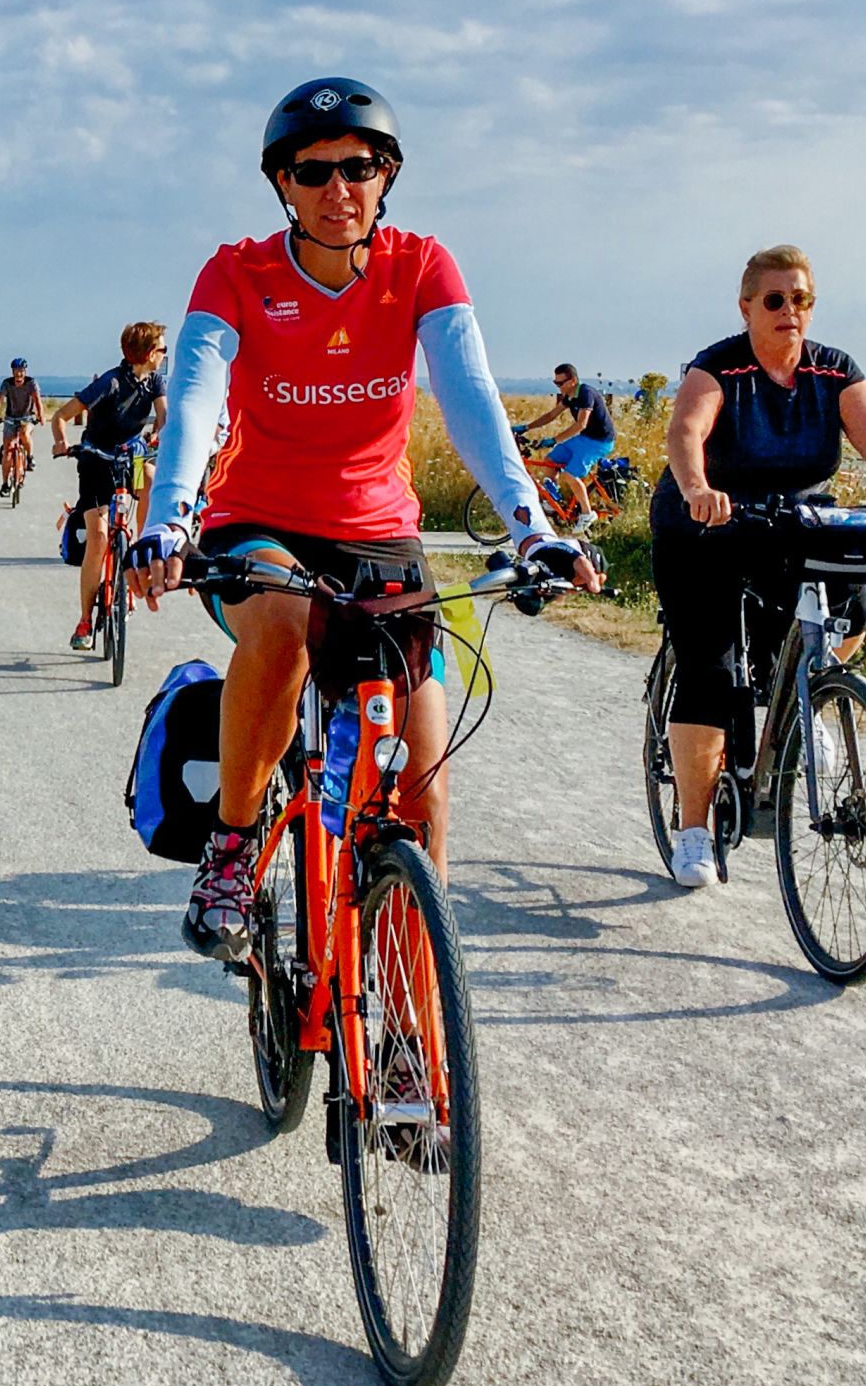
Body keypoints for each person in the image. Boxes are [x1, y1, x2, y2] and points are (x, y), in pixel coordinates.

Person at [128, 77, 599, 959]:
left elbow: (469, 396)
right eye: (314, 172)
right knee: (282, 629)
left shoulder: (421, 265)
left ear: (386, 176)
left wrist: (531, 526)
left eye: (359, 167)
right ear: (282, 184)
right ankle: (232, 846)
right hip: (255, 522)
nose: (338, 189)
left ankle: (413, 1015)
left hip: (378, 532)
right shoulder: (238, 272)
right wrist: (170, 517)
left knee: (421, 801)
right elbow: (195, 392)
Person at [652, 244, 866, 887]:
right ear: (747, 307)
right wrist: (696, 487)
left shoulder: (833, 372)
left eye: (801, 300)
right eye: (775, 299)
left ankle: (811, 699)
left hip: (789, 523)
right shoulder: (717, 369)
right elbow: (686, 432)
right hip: (706, 525)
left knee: (846, 602)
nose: (789, 311)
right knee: (710, 668)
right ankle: (692, 832)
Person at [49, 322, 168, 650]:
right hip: (96, 460)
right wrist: (61, 442)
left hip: (133, 457)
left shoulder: (155, 381)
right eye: (161, 350)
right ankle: (85, 620)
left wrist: (159, 432)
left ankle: (143, 545)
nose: (164, 356)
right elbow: (60, 415)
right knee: (99, 539)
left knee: (152, 478)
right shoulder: (110, 382)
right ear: (147, 353)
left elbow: (164, 415)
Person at [520, 362, 616, 520]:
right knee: (550, 461)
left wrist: (554, 440)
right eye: (555, 383)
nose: (558, 387)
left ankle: (587, 514)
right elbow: (551, 416)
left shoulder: (586, 393)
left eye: (560, 383)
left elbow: (581, 424)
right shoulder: (569, 396)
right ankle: (554, 502)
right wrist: (526, 427)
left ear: (573, 381)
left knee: (571, 474)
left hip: (599, 441)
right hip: (584, 438)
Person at [0, 358, 45, 497]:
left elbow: (37, 400)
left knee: (25, 434)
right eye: (16, 371)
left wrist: (41, 416)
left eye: (21, 371)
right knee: (7, 450)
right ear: (13, 372)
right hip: (11, 418)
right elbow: (0, 399)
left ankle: (30, 457)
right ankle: (5, 483)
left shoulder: (31, 383)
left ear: (25, 371)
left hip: (27, 417)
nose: (19, 374)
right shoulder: (7, 383)